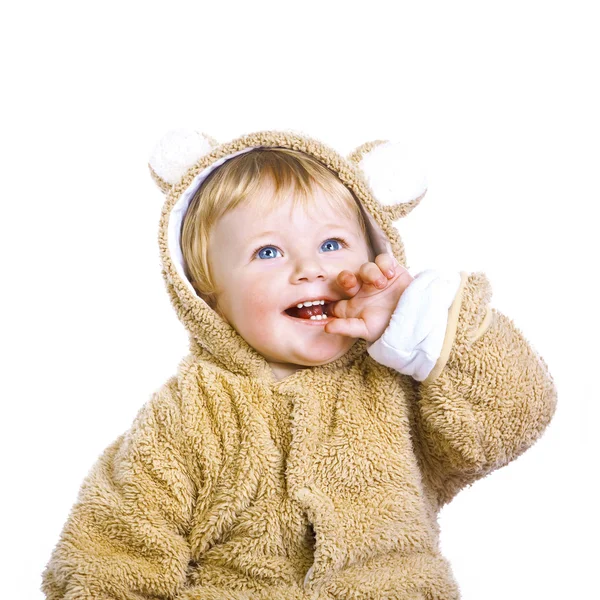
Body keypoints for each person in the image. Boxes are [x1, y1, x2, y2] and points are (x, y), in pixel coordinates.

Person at [41, 129, 558, 600]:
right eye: (267, 252)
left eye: (332, 244)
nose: (310, 269)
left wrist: (421, 324)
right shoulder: (187, 412)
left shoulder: (398, 382)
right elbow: (114, 544)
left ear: (376, 251)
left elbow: (513, 414)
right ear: (208, 296)